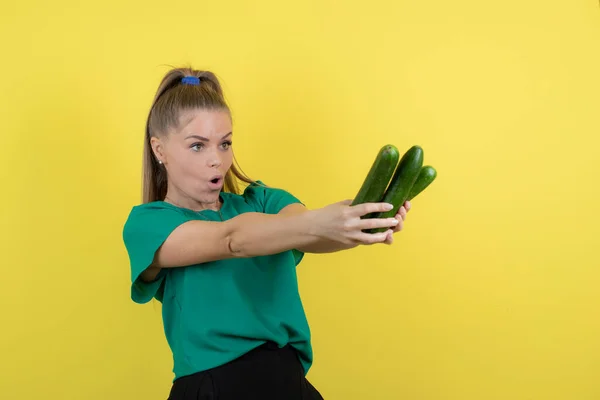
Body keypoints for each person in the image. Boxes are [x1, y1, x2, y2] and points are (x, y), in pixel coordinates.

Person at [122, 66, 412, 400]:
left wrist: (363, 221)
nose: (217, 159)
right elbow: (231, 240)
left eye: (225, 143)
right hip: (214, 388)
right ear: (160, 150)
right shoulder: (149, 224)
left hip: (288, 383)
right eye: (197, 146)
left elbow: (310, 232)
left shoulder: (261, 200)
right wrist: (322, 221)